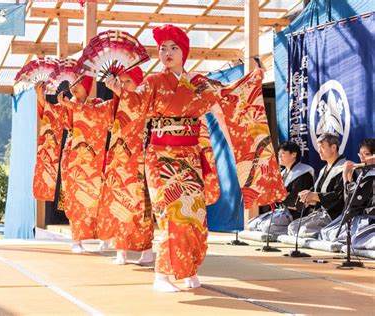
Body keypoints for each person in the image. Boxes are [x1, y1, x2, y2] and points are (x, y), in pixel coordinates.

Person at [106, 24, 285, 292]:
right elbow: (134, 104)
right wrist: (120, 90)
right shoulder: (153, 82)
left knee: (195, 215)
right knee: (170, 213)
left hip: (189, 157)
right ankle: (162, 275)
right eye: (163, 48)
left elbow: (229, 98)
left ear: (184, 52)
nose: (167, 52)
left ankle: (187, 268)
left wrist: (253, 79)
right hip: (160, 157)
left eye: (173, 47)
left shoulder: (199, 83)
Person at [96, 67, 156, 264]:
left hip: (139, 161)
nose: (123, 85)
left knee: (140, 208)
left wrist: (120, 93)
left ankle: (146, 249)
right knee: (119, 205)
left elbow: (136, 107)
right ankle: (120, 249)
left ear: (139, 83)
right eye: (121, 81)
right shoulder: (118, 102)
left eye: (128, 81)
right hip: (119, 162)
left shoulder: (143, 101)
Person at [57, 75, 110, 253]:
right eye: (71, 84)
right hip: (73, 156)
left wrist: (71, 106)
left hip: (94, 158)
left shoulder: (97, 103)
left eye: (78, 83)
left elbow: (97, 118)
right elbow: (62, 123)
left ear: (87, 85)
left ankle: (104, 236)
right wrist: (45, 100)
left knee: (99, 198)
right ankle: (76, 240)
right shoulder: (67, 104)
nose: (73, 87)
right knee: (74, 198)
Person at [248, 141, 314, 235]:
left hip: (295, 214)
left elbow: (296, 199)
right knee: (251, 224)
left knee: (267, 228)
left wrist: (280, 196)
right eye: (279, 154)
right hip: (281, 211)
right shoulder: (282, 173)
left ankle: (293, 231)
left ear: (293, 154)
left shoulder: (304, 172)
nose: (280, 156)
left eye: (283, 153)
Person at [289, 132, 346, 238]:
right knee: (293, 227)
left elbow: (340, 196)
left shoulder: (344, 168)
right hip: (321, 213)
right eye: (318, 147)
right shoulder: (323, 169)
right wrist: (309, 199)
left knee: (302, 231)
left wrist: (315, 196)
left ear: (333, 147)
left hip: (334, 214)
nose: (319, 151)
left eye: (322, 147)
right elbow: (319, 195)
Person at [319, 138, 375, 244]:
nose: (362, 158)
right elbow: (351, 201)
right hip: (360, 218)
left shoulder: (371, 174)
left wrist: (345, 177)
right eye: (360, 154)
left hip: (369, 219)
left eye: (366, 154)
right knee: (326, 233)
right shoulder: (365, 172)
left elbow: (354, 201)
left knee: (355, 240)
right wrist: (349, 177)